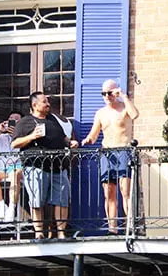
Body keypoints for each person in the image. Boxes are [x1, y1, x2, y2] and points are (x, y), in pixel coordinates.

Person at [81, 79, 139, 234]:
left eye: (109, 92)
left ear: (116, 92)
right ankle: (112, 228)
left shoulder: (124, 108)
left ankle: (130, 226)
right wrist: (87, 140)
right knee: (109, 192)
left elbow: (135, 114)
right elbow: (94, 134)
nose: (106, 96)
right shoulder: (100, 113)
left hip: (123, 151)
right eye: (103, 93)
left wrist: (124, 97)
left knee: (125, 190)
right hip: (107, 153)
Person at [13, 92, 73, 239]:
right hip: (36, 166)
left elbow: (63, 137)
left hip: (58, 166)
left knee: (61, 200)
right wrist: (32, 136)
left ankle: (61, 233)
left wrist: (70, 142)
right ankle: (39, 232)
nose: (48, 104)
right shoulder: (25, 122)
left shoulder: (53, 119)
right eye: (44, 102)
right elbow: (14, 143)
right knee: (37, 200)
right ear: (35, 105)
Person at [0, 110, 24, 222]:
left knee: (14, 173)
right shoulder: (1, 137)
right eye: (11, 118)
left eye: (16, 119)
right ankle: (2, 205)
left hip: (17, 169)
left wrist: (15, 135)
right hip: (1, 169)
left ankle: (12, 208)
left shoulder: (23, 136)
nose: (13, 121)